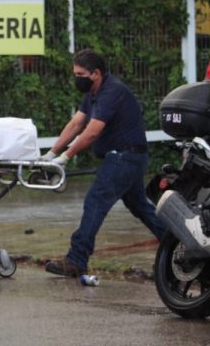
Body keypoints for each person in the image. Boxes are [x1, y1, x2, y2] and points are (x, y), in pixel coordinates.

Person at [41, 49, 166, 277]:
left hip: (124, 157)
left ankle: (76, 259)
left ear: (95, 73)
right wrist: (52, 152)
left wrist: (65, 158)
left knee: (95, 201)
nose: (76, 78)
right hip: (128, 158)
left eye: (80, 74)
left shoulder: (112, 92)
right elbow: (76, 124)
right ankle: (178, 244)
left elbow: (91, 133)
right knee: (141, 208)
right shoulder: (92, 93)